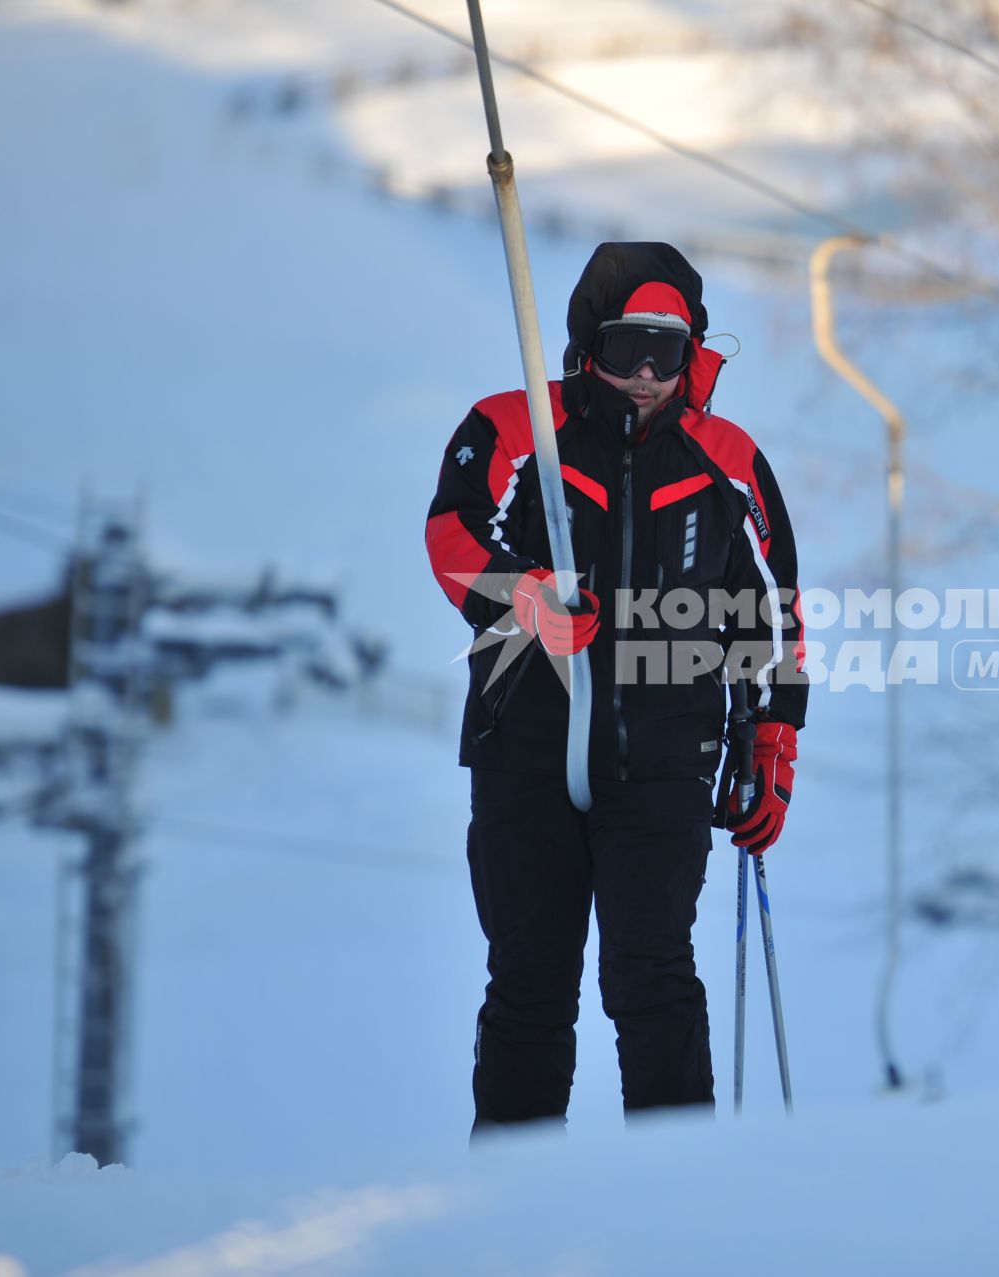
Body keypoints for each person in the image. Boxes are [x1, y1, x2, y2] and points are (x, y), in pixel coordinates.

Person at [424, 242, 808, 1131]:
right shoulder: (517, 428)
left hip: (665, 763)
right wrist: (524, 593)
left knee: (652, 976)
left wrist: (771, 740)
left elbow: (774, 615)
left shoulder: (728, 460)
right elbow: (452, 533)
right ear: (587, 342)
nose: (644, 374)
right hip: (526, 754)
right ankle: (515, 1201)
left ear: (695, 353)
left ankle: (675, 1206)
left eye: (667, 352)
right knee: (529, 983)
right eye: (627, 346)